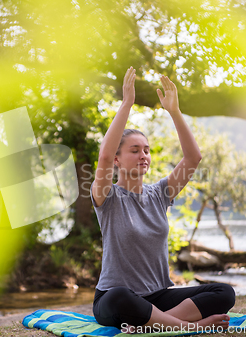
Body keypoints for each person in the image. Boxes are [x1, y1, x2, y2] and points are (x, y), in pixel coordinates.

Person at [89, 66, 235, 334]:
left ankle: (151, 323)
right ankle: (188, 326)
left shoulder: (159, 194)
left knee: (224, 292)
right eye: (135, 150)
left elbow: (193, 159)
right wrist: (126, 104)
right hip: (115, 298)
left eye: (146, 150)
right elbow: (104, 158)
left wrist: (174, 112)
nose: (144, 155)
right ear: (119, 159)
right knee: (120, 296)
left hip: (158, 295)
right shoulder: (107, 197)